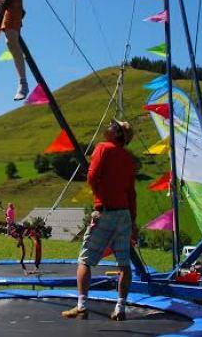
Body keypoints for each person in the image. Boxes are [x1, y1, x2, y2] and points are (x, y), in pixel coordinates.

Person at [62, 119, 137, 322]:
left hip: (105, 211)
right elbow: (131, 193)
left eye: (114, 127)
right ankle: (120, 309)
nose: (110, 127)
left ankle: (81, 306)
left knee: (85, 259)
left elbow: (92, 176)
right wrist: (134, 222)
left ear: (118, 134)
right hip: (124, 214)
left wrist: (100, 195)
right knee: (124, 263)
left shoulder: (103, 148)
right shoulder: (129, 158)